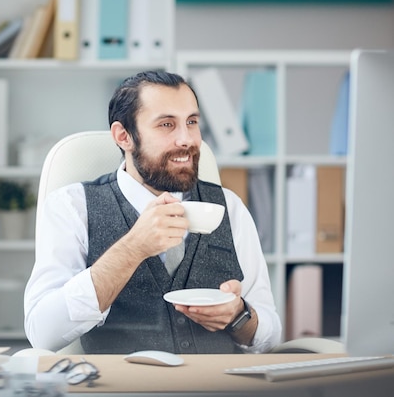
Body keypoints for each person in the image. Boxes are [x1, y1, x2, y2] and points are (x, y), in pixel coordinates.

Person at [24, 70, 282, 354]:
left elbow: (270, 336)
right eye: (167, 124)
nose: (186, 139)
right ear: (124, 136)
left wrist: (238, 316)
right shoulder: (72, 207)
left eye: (192, 122)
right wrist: (132, 248)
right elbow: (43, 334)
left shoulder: (229, 207)